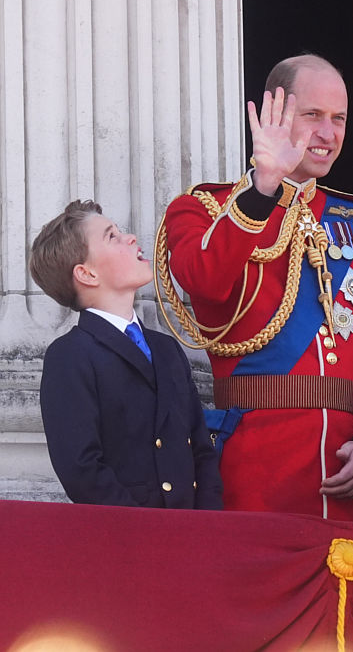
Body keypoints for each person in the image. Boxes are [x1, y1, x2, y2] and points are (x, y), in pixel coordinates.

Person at [160, 54, 353, 520]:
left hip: (351, 471)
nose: (328, 133)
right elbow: (204, 281)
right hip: (256, 469)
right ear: (273, 114)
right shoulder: (202, 209)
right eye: (313, 115)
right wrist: (263, 188)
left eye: (338, 118)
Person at [31, 200, 221, 509]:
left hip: (193, 533)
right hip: (129, 539)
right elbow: (82, 470)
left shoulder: (166, 348)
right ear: (87, 274)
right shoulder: (70, 356)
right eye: (111, 236)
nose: (131, 238)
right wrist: (143, 531)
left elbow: (201, 448)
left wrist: (207, 523)